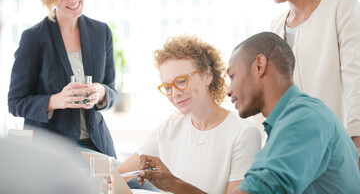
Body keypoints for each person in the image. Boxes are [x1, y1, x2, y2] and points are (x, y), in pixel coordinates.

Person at [138, 32, 360, 193]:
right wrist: (174, 184)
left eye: (233, 76)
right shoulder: (285, 124)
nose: (228, 90)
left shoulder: (303, 120)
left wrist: (176, 185)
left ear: (259, 66)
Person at [237, 0, 360, 164]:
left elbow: (355, 78)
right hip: (294, 155)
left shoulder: (341, 7)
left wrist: (356, 141)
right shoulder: (276, 27)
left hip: (338, 148)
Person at [117, 35, 261, 193]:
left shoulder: (244, 134)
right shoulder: (169, 127)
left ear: (208, 75)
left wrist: (174, 184)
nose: (175, 93)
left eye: (181, 81)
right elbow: (116, 176)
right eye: (167, 87)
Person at [8, 0, 117, 157]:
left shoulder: (101, 32)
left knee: (140, 187)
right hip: (53, 152)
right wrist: (57, 100)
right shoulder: (34, 38)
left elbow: (112, 91)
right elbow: (15, 102)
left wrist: (100, 92)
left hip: (98, 145)